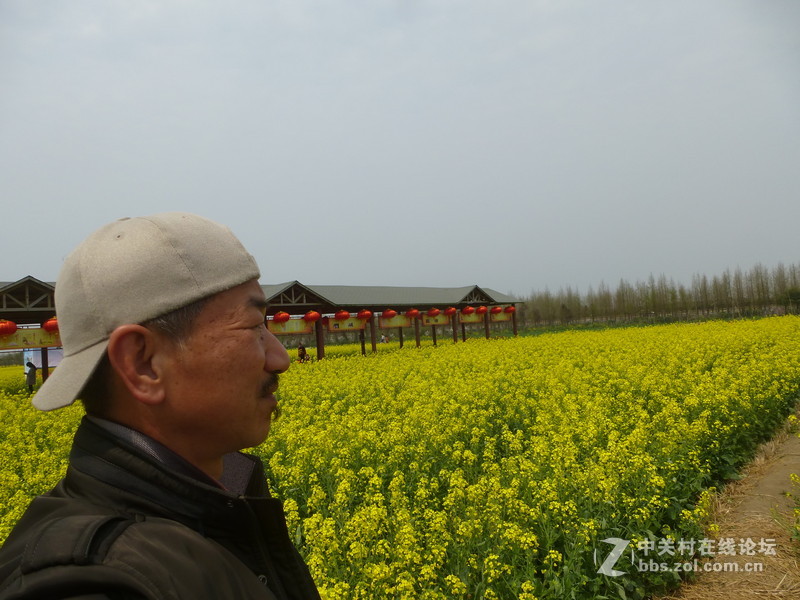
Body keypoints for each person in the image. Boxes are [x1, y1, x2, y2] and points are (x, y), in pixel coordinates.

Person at [0, 213, 321, 600]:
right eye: (253, 326)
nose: (279, 358)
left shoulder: (220, 498)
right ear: (143, 363)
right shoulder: (97, 584)